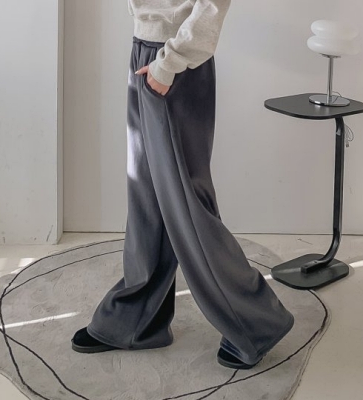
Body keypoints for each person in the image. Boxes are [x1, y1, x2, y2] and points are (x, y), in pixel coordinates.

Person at [71, 0, 294, 369]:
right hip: (146, 49)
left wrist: (169, 62)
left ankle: (256, 323)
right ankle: (137, 322)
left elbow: (212, 4)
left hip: (173, 62)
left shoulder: (171, 60)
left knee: (187, 205)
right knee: (148, 198)